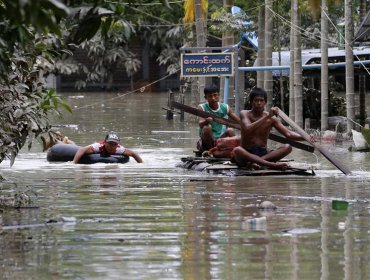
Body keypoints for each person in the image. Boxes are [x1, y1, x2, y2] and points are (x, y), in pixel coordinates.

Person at [232, 88, 309, 170]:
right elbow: (248, 129)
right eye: (256, 100)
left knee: (287, 147)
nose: (259, 103)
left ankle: (257, 162)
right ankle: (271, 165)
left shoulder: (272, 119)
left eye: (261, 100)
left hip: (263, 154)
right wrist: (267, 116)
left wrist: (307, 137)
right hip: (246, 153)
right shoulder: (244, 113)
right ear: (251, 101)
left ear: (265, 102)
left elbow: (289, 134)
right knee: (237, 150)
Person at [197, 84, 240, 157]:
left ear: (218, 95)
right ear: (206, 97)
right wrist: (206, 121)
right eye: (210, 96)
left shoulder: (225, 107)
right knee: (207, 127)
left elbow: (238, 120)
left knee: (230, 130)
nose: (213, 98)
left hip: (218, 139)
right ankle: (209, 151)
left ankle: (238, 151)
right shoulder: (202, 107)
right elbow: (200, 124)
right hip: (207, 141)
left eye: (215, 95)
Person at [72, 131, 143, 164]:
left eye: (114, 144)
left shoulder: (119, 149)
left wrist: (141, 164)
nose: (112, 146)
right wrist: (74, 163)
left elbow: (133, 153)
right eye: (110, 143)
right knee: (74, 145)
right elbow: (81, 150)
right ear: (105, 142)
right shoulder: (98, 146)